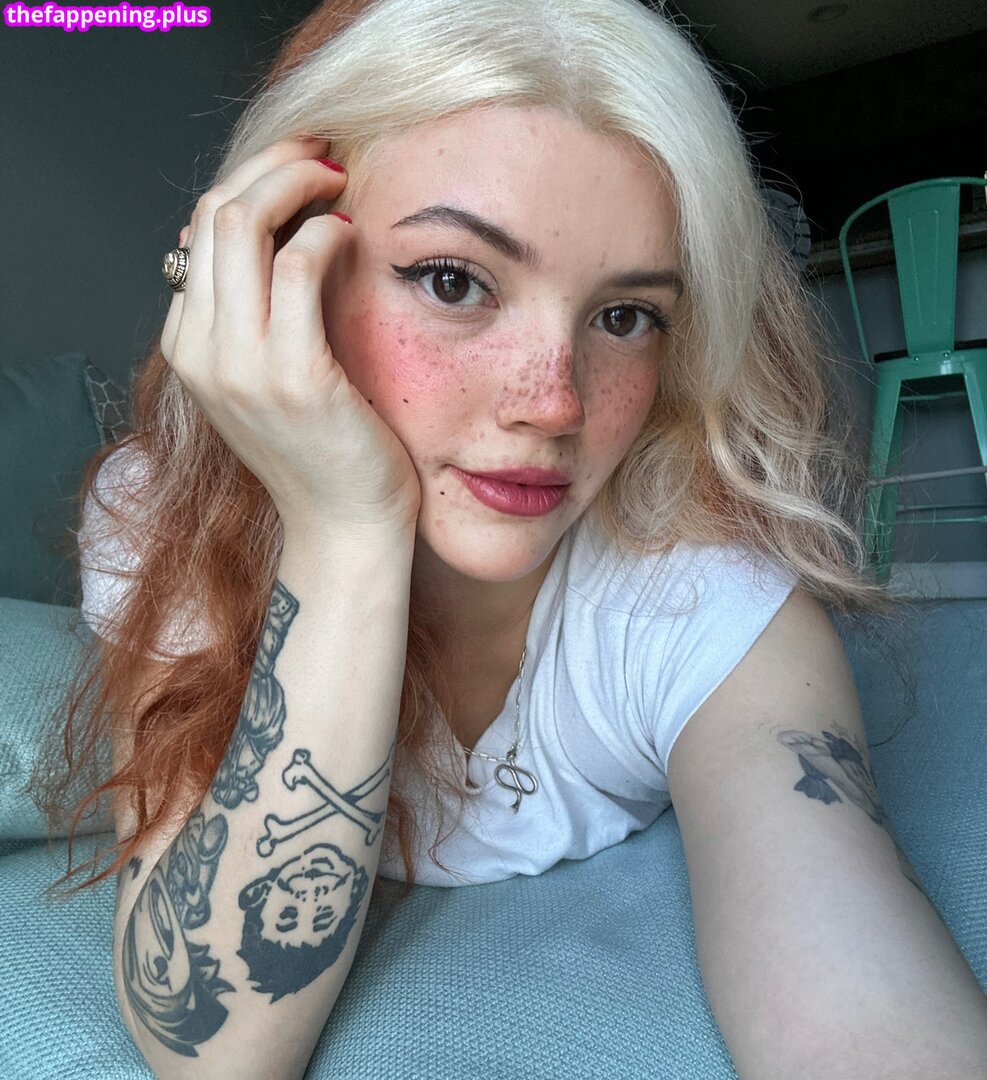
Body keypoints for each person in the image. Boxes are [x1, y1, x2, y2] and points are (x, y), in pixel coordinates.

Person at [37, 0, 987, 1076]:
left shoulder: (704, 597)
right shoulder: (160, 514)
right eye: (453, 280)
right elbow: (208, 1046)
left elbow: (863, 1008)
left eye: (624, 316)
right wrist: (345, 528)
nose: (555, 405)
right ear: (275, 269)